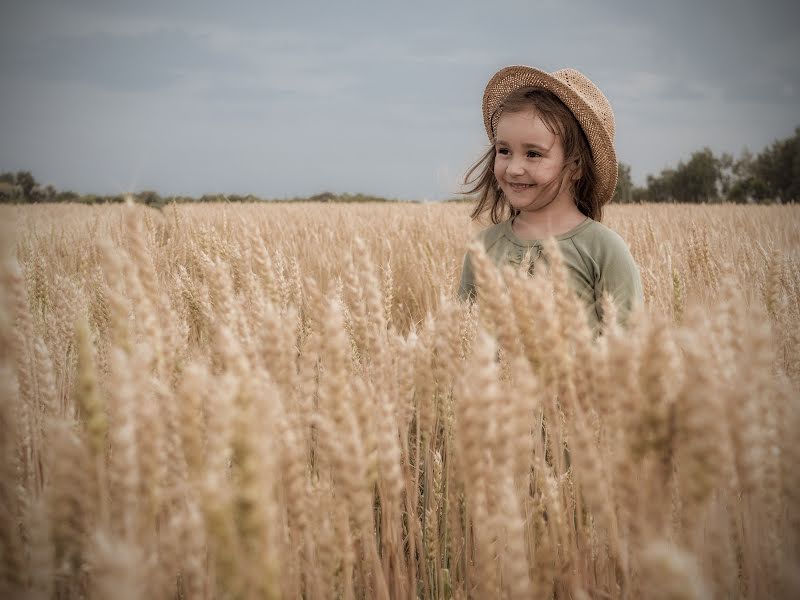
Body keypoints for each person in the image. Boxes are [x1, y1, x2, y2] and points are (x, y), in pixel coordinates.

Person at [457, 65, 643, 330]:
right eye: (504, 150)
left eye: (533, 154)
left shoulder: (603, 250)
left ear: (576, 165)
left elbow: (629, 353)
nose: (514, 168)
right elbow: (462, 339)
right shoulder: (483, 248)